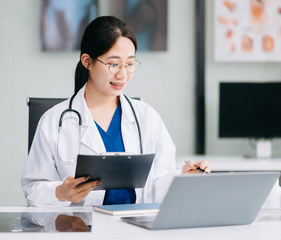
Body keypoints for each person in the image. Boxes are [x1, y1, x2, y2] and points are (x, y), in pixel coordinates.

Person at [21, 16, 210, 207]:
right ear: (87, 61)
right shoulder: (54, 121)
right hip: (82, 230)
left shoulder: (147, 117)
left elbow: (158, 185)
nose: (122, 74)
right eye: (113, 64)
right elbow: (33, 190)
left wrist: (183, 177)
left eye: (129, 64)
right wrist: (61, 192)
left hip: (136, 229)